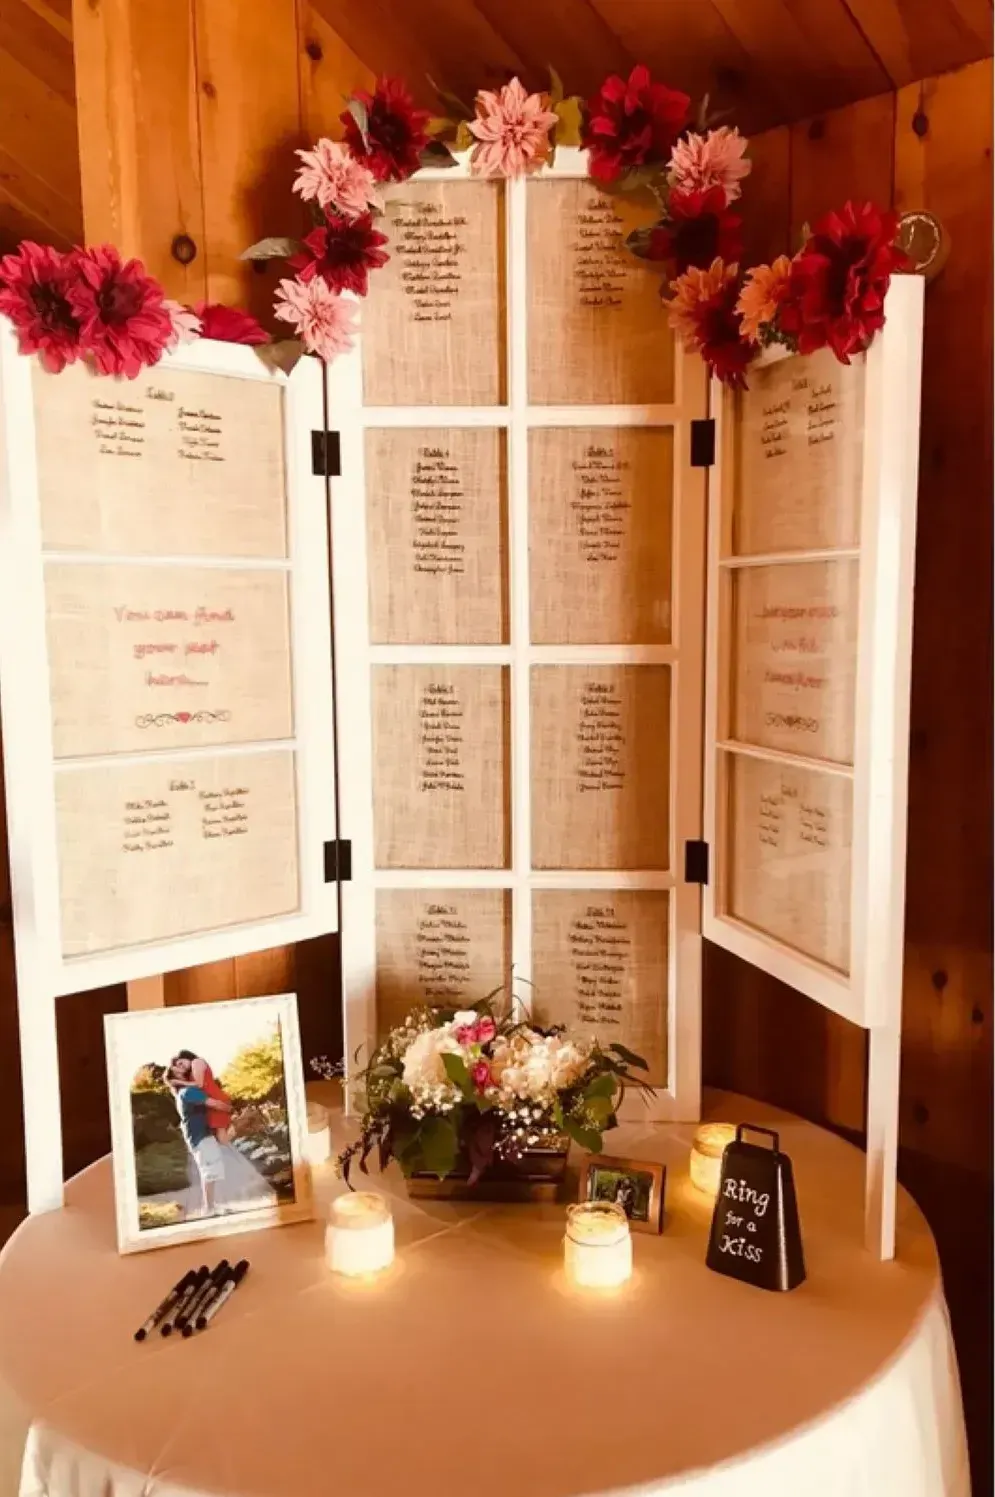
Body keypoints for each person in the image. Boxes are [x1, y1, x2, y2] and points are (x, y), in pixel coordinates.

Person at [172, 1050, 233, 1144]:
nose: (181, 1066)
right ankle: (239, 1124)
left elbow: (199, 1084)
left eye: (181, 1062)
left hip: (215, 1097)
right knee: (220, 1135)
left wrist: (179, 1082)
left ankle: (241, 1122)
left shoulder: (196, 1062)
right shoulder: (193, 1068)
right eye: (179, 1066)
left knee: (222, 1138)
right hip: (211, 1100)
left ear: (186, 1057)